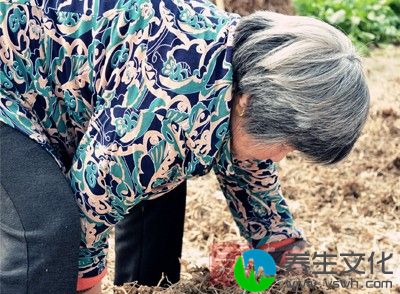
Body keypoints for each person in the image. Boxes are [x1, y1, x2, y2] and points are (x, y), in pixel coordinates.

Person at [0, 0, 370, 293]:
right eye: (286, 147)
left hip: (71, 93)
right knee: (49, 229)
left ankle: (145, 286)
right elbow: (88, 213)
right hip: (10, 88)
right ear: (252, 101)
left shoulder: (241, 69)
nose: (278, 158)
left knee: (163, 174)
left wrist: (291, 266)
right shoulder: (163, 114)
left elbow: (249, 171)